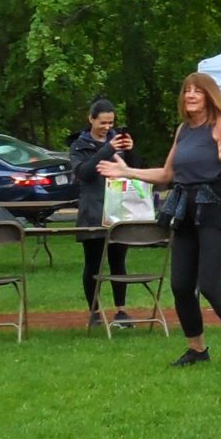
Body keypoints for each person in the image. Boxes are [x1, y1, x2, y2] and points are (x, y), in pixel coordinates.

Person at [99, 74, 221, 369]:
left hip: (214, 208)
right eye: (187, 90)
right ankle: (197, 349)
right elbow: (166, 174)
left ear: (209, 95)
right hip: (185, 210)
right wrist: (127, 172)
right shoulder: (183, 130)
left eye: (197, 91)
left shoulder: (220, 123)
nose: (190, 95)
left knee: (210, 285)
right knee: (181, 285)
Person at [66, 99, 135, 329]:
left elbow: (134, 171)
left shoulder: (118, 141)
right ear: (91, 119)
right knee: (93, 263)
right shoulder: (79, 145)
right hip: (92, 210)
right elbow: (84, 173)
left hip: (119, 208)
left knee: (118, 261)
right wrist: (107, 150)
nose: (107, 127)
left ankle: (121, 311)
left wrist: (130, 151)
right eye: (102, 123)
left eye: (111, 123)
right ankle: (94, 311)